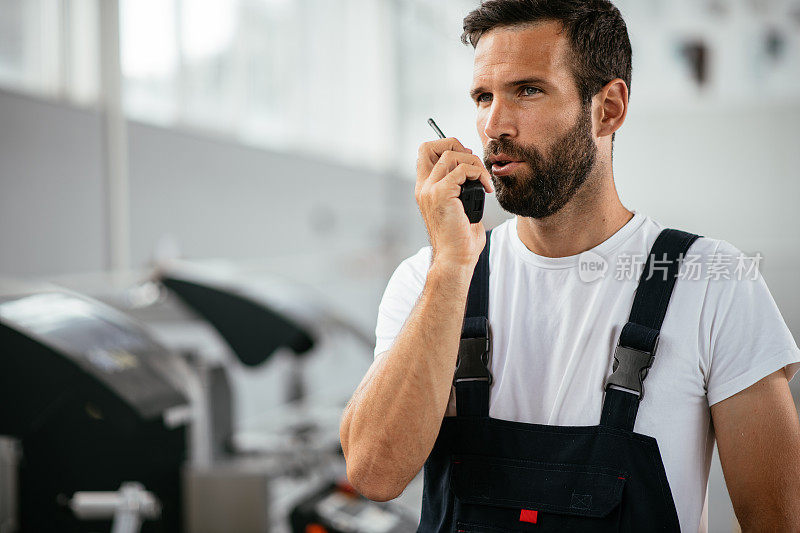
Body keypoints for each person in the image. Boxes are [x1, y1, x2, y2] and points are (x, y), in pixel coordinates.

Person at [339, 1, 800, 531]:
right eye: (483, 96)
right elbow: (374, 474)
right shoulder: (430, 279)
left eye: (528, 90)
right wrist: (451, 267)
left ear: (609, 108)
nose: (494, 125)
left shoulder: (715, 282)